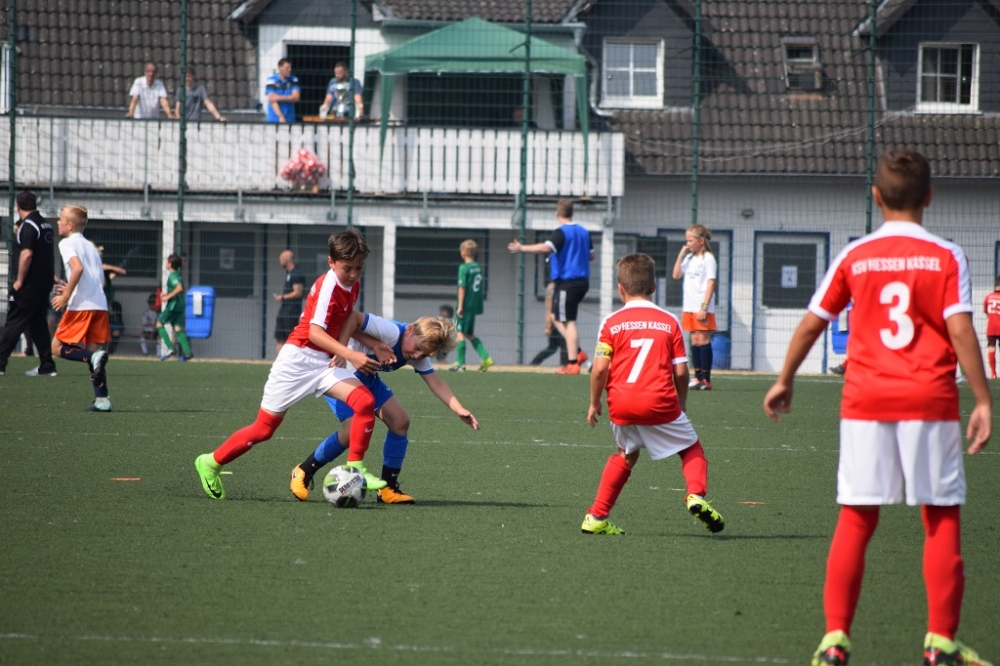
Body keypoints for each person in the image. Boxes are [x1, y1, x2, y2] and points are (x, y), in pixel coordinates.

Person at [762, 150, 992, 666]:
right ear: (929, 196)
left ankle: (835, 641)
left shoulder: (856, 255)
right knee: (940, 517)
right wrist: (982, 397)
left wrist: (784, 379)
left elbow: (813, 322)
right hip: (929, 401)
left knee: (857, 518)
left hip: (866, 401)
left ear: (876, 196)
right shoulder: (947, 256)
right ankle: (940, 642)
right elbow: (960, 329)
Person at [193, 228, 387, 500]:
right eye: (348, 268)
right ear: (331, 262)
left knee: (364, 402)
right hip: (297, 361)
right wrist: (350, 353)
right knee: (264, 429)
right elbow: (314, 333)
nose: (354, 274)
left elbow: (346, 319)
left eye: (359, 267)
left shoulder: (351, 284)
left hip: (324, 363)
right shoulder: (328, 286)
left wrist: (349, 349)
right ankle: (210, 463)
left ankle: (357, 468)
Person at [581, 253, 724, 536]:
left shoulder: (610, 322)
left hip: (621, 403)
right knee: (690, 448)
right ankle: (695, 495)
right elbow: (681, 372)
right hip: (659, 401)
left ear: (620, 288)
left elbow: (599, 370)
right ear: (654, 287)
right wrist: (681, 403)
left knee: (625, 454)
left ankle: (596, 516)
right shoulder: (669, 321)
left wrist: (594, 402)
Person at [290, 312, 479, 504]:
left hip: (367, 379)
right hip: (340, 375)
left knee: (400, 422)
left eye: (424, 354)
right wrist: (345, 351)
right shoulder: (391, 332)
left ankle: (388, 488)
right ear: (410, 330)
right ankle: (304, 470)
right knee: (351, 432)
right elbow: (352, 318)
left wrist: (458, 409)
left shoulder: (418, 347)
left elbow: (435, 382)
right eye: (417, 349)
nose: (417, 356)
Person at [508, 199, 593, 374]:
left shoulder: (561, 233)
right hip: (582, 282)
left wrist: (522, 248)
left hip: (568, 282)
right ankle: (577, 352)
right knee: (556, 316)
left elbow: (546, 248)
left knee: (568, 321)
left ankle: (573, 362)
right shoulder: (584, 232)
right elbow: (591, 256)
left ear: (557, 213)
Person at [49, 205, 112, 412]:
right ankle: (102, 400)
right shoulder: (91, 247)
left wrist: (67, 295)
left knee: (56, 347)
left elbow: (78, 268)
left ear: (69, 225)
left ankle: (93, 358)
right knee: (94, 358)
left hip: (81, 306)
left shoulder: (67, 243)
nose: (58, 222)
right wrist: (71, 287)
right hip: (100, 305)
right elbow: (100, 280)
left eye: (60, 219)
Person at [0, 191, 57, 377]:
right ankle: (47, 365)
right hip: (43, 283)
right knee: (38, 322)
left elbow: (27, 255)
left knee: (14, 321)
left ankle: (0, 363)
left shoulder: (28, 225)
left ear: (18, 206)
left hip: (29, 285)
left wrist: (19, 281)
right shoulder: (45, 224)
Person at [672, 223, 717, 391]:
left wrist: (704, 307)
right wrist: (681, 254)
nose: (688, 244)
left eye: (690, 241)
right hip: (689, 307)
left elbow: (711, 283)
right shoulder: (689, 258)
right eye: (687, 240)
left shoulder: (708, 259)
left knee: (703, 340)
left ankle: (706, 379)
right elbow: (676, 275)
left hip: (701, 307)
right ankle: (697, 377)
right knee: (695, 341)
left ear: (701, 241)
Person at [450, 240, 494, 372]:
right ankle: (486, 358)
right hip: (474, 304)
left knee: (459, 332)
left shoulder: (464, 268)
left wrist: (460, 307)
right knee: (469, 333)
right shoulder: (477, 267)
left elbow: (462, 288)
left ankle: (461, 363)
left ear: (463, 252)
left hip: (465, 305)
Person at [157, 254, 193, 362]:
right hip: (180, 304)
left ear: (170, 264)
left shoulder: (172, 275)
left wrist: (167, 297)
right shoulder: (177, 275)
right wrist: (167, 293)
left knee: (159, 324)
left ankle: (171, 348)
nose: (165, 263)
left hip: (173, 305)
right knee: (177, 328)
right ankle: (188, 353)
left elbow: (179, 288)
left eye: (167, 261)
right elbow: (178, 289)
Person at [273, 249, 306, 354]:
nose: (280, 262)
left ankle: (289, 359)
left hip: (291, 312)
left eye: (281, 259)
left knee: (289, 339)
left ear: (287, 259)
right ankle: (279, 361)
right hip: (284, 310)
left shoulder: (296, 274)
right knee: (280, 337)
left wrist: (282, 297)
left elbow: (298, 292)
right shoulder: (289, 274)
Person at [530, 281, 569, 367]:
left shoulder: (558, 287)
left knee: (553, 348)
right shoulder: (554, 288)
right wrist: (548, 326)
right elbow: (550, 310)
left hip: (560, 322)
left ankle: (534, 363)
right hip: (558, 324)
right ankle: (564, 365)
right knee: (563, 346)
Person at [264, 58, 301, 123]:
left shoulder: (293, 80)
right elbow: (272, 99)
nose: (290, 70)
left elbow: (296, 97)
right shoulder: (271, 80)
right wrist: (281, 116)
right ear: (280, 67)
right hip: (274, 119)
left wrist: (278, 97)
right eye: (287, 68)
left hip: (290, 119)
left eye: (290, 67)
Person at [984, 276, 1000, 380]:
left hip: (991, 328)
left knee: (991, 348)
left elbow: (986, 312)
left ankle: (993, 374)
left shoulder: (988, 297)